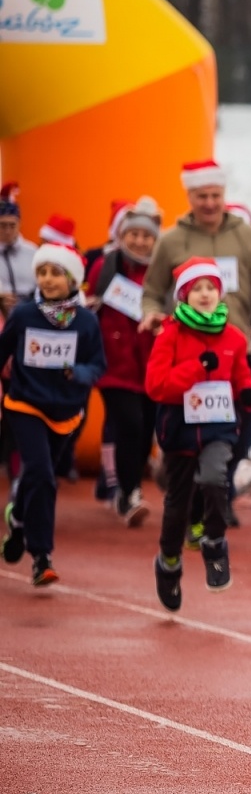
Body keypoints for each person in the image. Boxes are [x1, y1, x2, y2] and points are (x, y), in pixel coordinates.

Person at [141, 160, 251, 529]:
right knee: (189, 430)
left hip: (236, 349)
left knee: (246, 421)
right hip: (186, 350)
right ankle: (191, 491)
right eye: (202, 196)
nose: (209, 203)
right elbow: (153, 293)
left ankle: (218, 488)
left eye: (215, 196)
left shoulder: (247, 236)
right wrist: (153, 315)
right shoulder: (172, 239)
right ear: (190, 196)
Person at [145, 259, 251, 609]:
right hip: (180, 429)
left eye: (211, 287)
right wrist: (196, 369)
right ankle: (168, 563)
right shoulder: (171, 334)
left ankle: (214, 541)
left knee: (215, 478)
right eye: (197, 288)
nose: (206, 294)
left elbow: (241, 377)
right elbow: (156, 386)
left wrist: (249, 391)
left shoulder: (233, 337)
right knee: (177, 504)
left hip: (218, 428)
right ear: (184, 295)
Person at [0, 244, 106, 586]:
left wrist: (80, 373)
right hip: (25, 404)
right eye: (42, 272)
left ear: (72, 278)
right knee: (42, 475)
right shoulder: (24, 315)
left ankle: (17, 520)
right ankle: (42, 557)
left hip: (66, 411)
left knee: (38, 479)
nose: (47, 279)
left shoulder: (87, 322)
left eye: (55, 272)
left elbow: (98, 365)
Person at [84, 197, 164, 527]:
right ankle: (129, 493)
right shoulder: (106, 265)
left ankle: (124, 490)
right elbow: (90, 306)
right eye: (134, 234)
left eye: (147, 236)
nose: (140, 241)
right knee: (128, 423)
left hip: (151, 363)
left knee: (145, 429)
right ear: (122, 234)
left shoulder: (161, 270)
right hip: (114, 364)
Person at [0, 183, 38, 320]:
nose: (8, 231)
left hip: (29, 313)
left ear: (19, 224)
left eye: (12, 225)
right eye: (2, 225)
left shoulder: (32, 252)